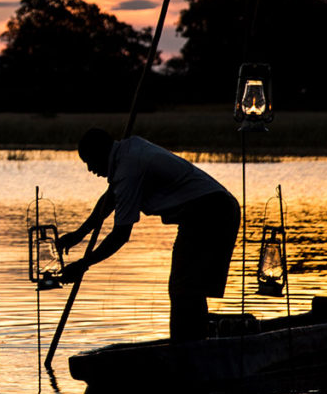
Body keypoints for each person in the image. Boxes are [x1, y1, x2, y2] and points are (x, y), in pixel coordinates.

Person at [57, 127, 240, 343]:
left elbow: (120, 235)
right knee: (186, 289)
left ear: (101, 153)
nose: (90, 169)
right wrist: (80, 233)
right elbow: (112, 198)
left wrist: (83, 264)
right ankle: (191, 344)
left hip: (211, 213)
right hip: (202, 215)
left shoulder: (128, 168)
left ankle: (188, 348)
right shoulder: (127, 153)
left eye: (89, 161)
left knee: (185, 289)